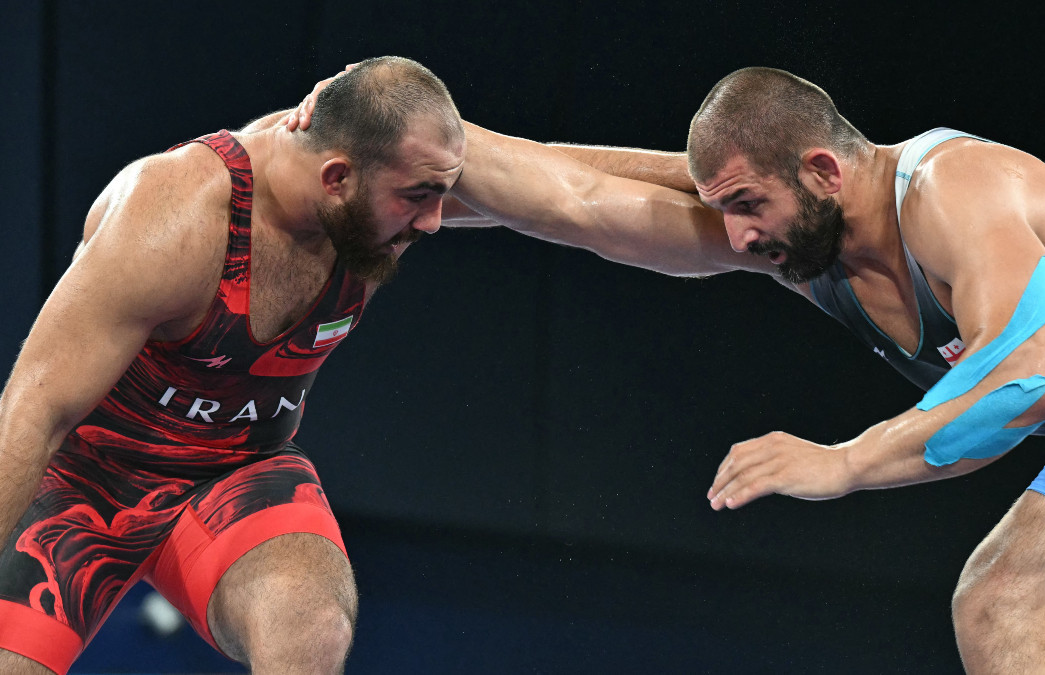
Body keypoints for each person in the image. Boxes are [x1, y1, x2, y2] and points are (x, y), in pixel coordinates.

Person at [298, 66, 1045, 670]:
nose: (735, 239)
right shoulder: (813, 245)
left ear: (820, 170)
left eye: (746, 206)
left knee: (1001, 608)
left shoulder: (949, 189)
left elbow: (1033, 377)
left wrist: (844, 460)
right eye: (724, 210)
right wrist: (408, 161)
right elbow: (580, 200)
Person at [0, 55, 730, 674]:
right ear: (337, 178)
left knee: (310, 626)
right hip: (85, 479)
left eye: (444, 191)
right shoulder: (176, 220)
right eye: (419, 199)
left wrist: (754, 214)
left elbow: (571, 191)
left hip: (232, 471)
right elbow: (32, 409)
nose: (437, 221)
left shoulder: (398, 165)